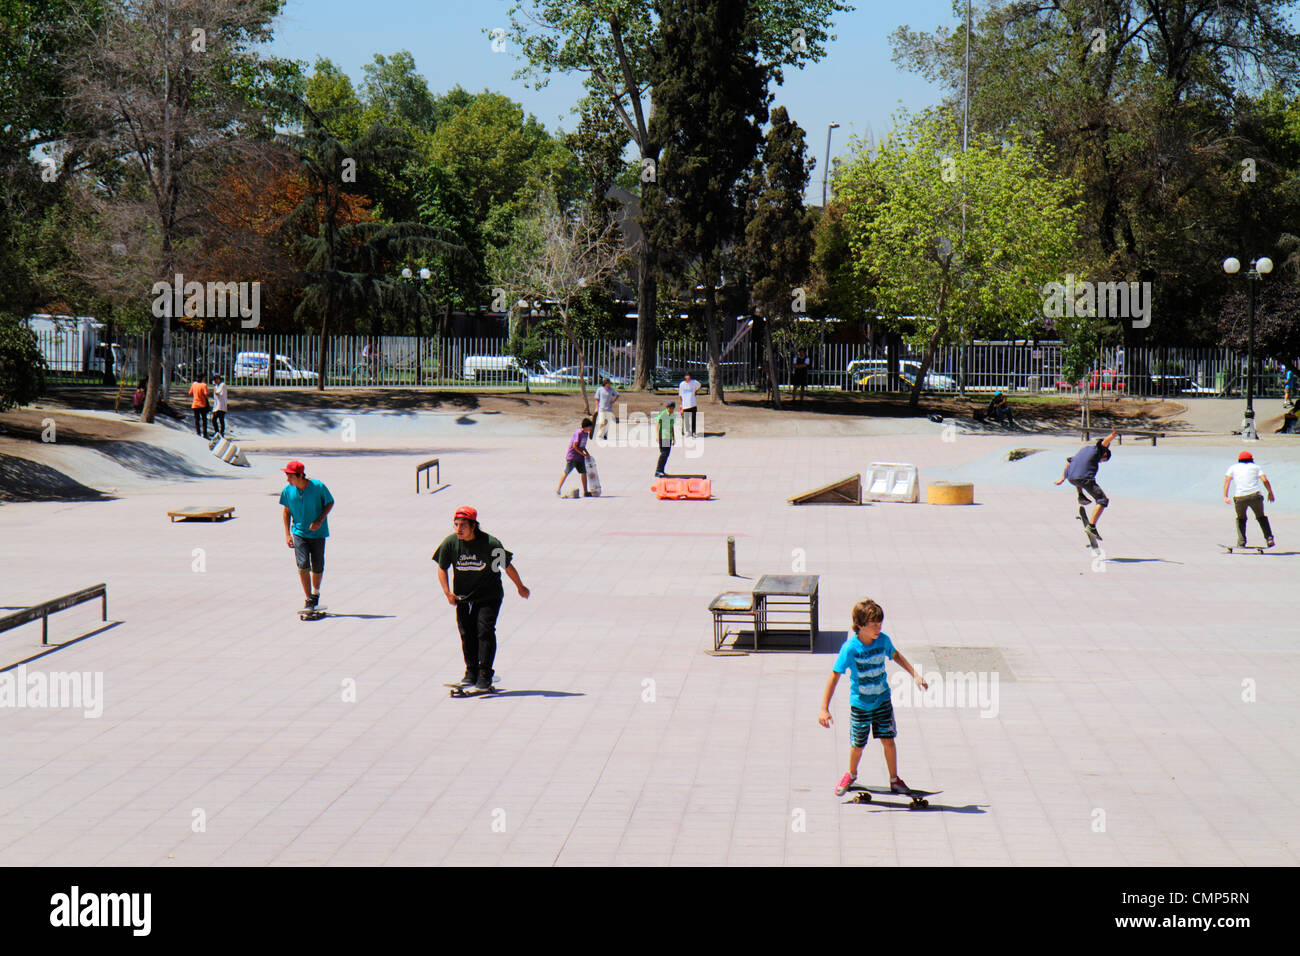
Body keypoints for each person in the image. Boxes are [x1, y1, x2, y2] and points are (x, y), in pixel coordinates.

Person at [818, 598, 928, 796]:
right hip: (860, 705)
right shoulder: (850, 648)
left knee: (888, 740)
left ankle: (894, 779)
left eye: (880, 624)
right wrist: (824, 708)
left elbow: (895, 655)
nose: (878, 629)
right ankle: (851, 774)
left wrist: (915, 674)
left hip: (882, 701)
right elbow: (834, 675)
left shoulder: (883, 640)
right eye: (873, 625)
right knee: (857, 745)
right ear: (860, 626)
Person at [434, 505, 530, 690]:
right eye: (456, 525)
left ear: (473, 526)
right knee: (466, 633)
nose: (458, 529)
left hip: (488, 595)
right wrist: (447, 592)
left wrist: (520, 587)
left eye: (463, 525)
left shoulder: (490, 543)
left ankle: (485, 674)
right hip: (462, 597)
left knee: (484, 631)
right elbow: (441, 566)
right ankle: (471, 673)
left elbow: (506, 566)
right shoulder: (450, 543)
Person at [279, 460, 335, 613]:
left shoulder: (318, 487)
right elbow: (286, 512)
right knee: (302, 564)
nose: (287, 479)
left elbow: (330, 502)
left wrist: (319, 520)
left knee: (317, 565)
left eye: (290, 476)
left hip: (318, 533)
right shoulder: (288, 490)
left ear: (300, 475)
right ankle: (308, 598)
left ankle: (315, 593)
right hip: (299, 533)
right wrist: (287, 534)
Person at [1053, 427, 1118, 539]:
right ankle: (1091, 526)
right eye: (1103, 460)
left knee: (1078, 478)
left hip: (1071, 477)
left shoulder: (1085, 449)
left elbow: (1069, 462)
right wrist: (1112, 436)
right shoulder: (1099, 451)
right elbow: (1104, 443)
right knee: (1102, 500)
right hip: (1084, 478)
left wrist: (1062, 478)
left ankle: (1081, 495)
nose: (1100, 462)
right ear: (1104, 455)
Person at [1224, 451, 1275, 549]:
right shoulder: (1256, 467)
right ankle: (1269, 538)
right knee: (1261, 517)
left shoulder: (1233, 467)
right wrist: (1270, 492)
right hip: (1255, 496)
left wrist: (1225, 496)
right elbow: (1264, 480)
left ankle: (1241, 542)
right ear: (1251, 459)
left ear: (1239, 459)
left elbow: (1227, 481)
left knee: (1241, 519)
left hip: (1240, 497)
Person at [557, 418, 594, 497]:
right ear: (586, 426)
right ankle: (558, 489)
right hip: (572, 457)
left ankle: (585, 491)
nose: (591, 428)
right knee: (567, 472)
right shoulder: (578, 433)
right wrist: (584, 455)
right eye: (590, 427)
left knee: (583, 472)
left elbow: (582, 446)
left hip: (580, 457)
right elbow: (575, 446)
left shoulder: (586, 434)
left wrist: (587, 454)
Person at [654, 401, 677, 477]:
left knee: (666, 454)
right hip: (663, 436)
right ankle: (658, 471)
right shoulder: (663, 413)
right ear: (667, 407)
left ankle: (662, 470)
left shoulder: (673, 415)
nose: (671, 409)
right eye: (670, 408)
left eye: (672, 408)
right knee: (663, 453)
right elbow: (657, 423)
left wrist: (673, 438)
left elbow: (672, 426)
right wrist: (657, 435)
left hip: (668, 436)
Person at [187, 373, 210, 438]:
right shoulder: (204, 385)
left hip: (195, 404)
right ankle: (204, 434)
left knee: (197, 419)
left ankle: (198, 432)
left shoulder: (193, 384)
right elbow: (206, 394)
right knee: (204, 420)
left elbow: (190, 393)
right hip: (202, 404)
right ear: (203, 378)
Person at [678, 373, 701, 437]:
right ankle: (688, 431)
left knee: (693, 418)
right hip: (685, 404)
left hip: (693, 403)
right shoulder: (682, 384)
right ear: (685, 378)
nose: (688, 379)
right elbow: (680, 395)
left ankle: (694, 432)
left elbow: (699, 385)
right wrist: (681, 404)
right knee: (686, 419)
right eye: (686, 378)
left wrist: (696, 391)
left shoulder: (694, 382)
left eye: (689, 378)